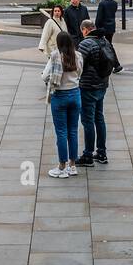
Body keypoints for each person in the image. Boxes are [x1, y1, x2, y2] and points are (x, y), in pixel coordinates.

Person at [76, 19, 117, 166]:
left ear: (85, 30)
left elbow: (78, 66)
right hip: (102, 84)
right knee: (99, 118)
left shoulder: (85, 43)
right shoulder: (104, 40)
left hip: (88, 86)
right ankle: (101, 153)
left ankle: (87, 155)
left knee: (87, 121)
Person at [44, 31, 82, 178]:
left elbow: (45, 75)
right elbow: (80, 72)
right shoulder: (77, 55)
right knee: (73, 131)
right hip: (75, 94)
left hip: (60, 96)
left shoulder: (55, 56)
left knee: (61, 132)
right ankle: (72, 166)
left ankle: (61, 166)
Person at [94, 0, 122, 72]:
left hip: (102, 28)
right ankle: (114, 64)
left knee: (106, 47)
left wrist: (96, 28)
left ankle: (115, 64)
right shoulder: (114, 3)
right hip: (111, 27)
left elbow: (99, 17)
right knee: (108, 45)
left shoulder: (102, 3)